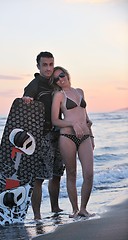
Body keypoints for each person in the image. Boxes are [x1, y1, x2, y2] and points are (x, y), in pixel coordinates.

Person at [22, 52, 64, 220]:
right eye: (45, 65)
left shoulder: (56, 85)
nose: (48, 68)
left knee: (56, 175)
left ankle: (55, 208)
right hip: (41, 137)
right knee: (38, 178)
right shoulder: (34, 85)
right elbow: (24, 107)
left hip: (58, 135)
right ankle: (37, 216)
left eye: (51, 64)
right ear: (38, 66)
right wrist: (26, 100)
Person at [51, 66, 94, 217]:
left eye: (61, 75)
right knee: (71, 173)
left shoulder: (80, 91)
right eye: (56, 78)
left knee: (89, 173)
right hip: (67, 137)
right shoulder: (59, 96)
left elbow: (85, 117)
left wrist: (92, 136)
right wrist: (72, 124)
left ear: (67, 74)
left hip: (85, 136)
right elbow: (55, 120)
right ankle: (75, 209)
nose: (60, 79)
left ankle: (83, 208)